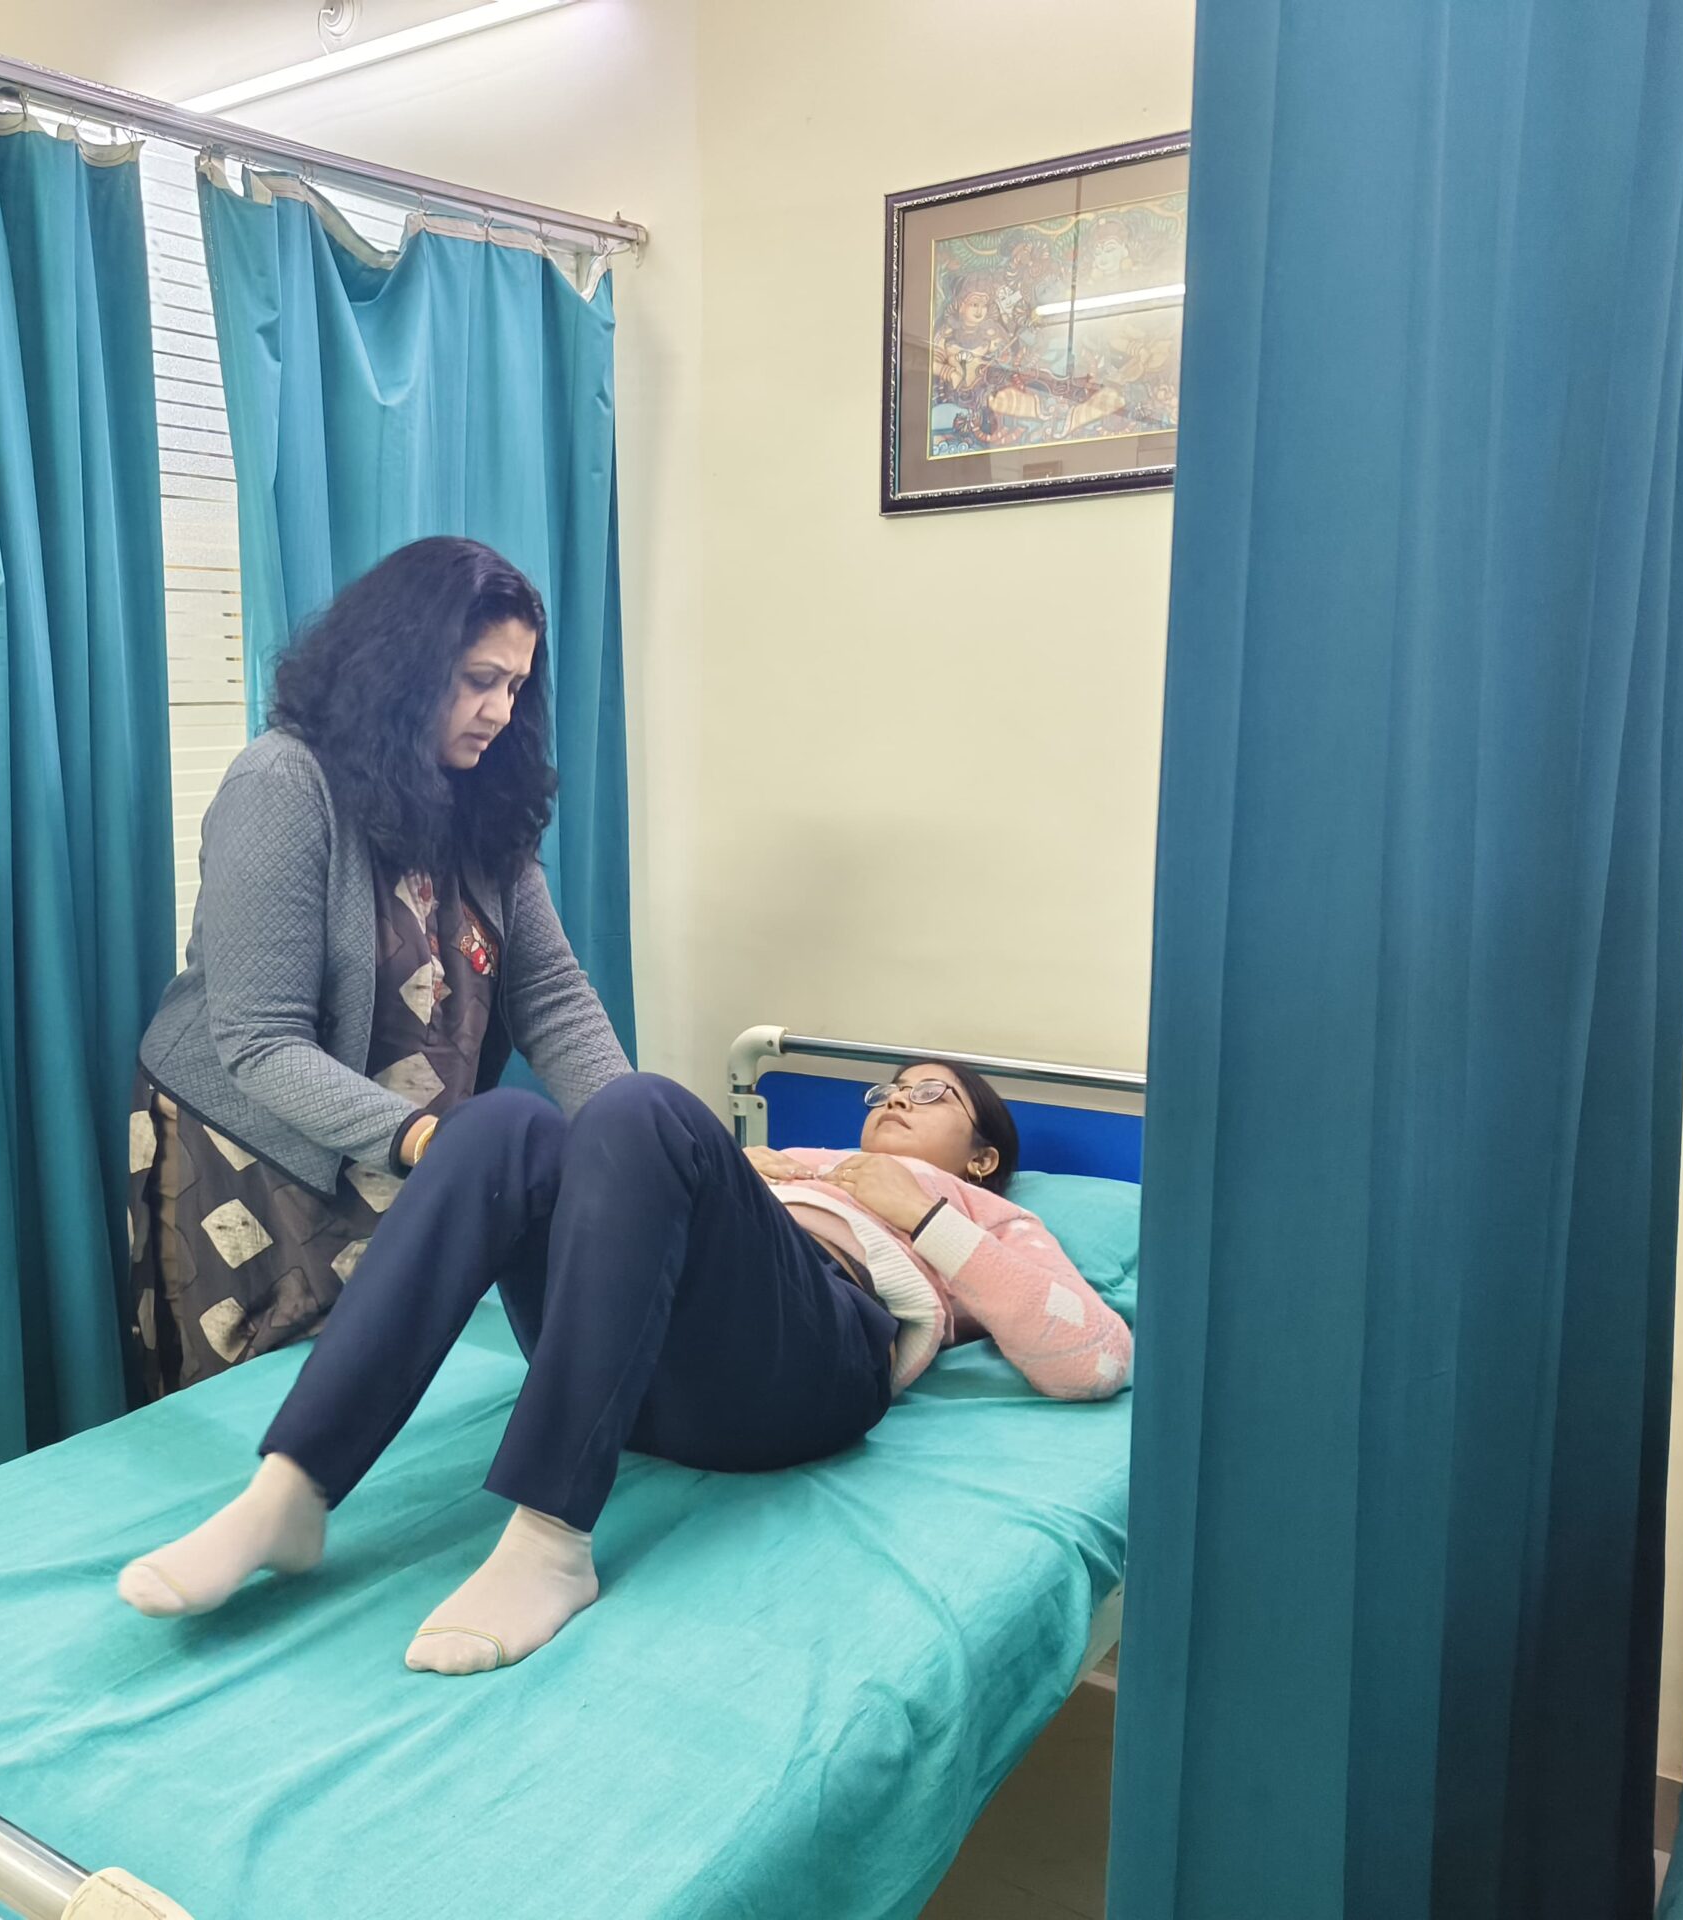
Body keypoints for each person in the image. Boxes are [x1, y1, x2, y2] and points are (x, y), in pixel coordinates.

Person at [118, 1059, 1133, 1675]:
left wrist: (923, 1213)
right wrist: (750, 1177)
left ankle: (550, 1538)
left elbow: (1092, 1360)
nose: (896, 1099)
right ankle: (293, 1487)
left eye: (931, 1093)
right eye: (888, 1089)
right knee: (504, 1123)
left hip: (802, 1374)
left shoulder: (988, 1214)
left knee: (644, 1103)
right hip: (631, 1362)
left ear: (983, 1154)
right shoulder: (785, 1164)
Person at [124, 536, 630, 1400]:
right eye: (478, 680)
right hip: (251, 1155)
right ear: (403, 666)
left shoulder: (483, 795)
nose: (500, 712)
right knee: (254, 1413)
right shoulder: (283, 783)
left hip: (405, 1144)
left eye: (515, 686)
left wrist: (632, 1133)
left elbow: (551, 998)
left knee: (387, 1400)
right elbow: (260, 1040)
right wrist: (428, 1140)